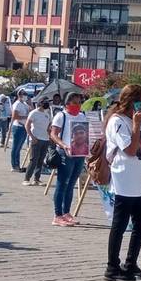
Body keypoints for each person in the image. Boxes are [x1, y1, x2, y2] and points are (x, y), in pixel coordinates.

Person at [104, 84, 141, 281]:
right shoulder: (118, 121)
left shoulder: (139, 120)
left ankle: (130, 263)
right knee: (120, 223)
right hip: (124, 175)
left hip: (139, 176)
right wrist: (136, 125)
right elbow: (129, 149)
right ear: (133, 101)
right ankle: (112, 267)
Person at [49, 92, 89, 227]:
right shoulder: (61, 116)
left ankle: (66, 213)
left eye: (79, 102)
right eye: (74, 102)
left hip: (80, 154)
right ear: (67, 103)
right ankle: (57, 215)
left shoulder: (82, 115)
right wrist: (64, 145)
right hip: (66, 154)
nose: (78, 105)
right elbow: (53, 134)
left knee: (71, 184)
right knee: (62, 184)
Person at [22, 99, 52, 186]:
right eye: (45, 102)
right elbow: (27, 125)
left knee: (41, 160)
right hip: (36, 139)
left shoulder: (47, 114)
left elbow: (48, 126)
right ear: (40, 103)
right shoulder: (34, 113)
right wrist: (32, 137)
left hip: (45, 139)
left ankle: (37, 179)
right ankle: (26, 179)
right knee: (33, 160)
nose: (47, 104)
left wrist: (49, 136)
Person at [10, 89, 30, 172]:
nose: (25, 95)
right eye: (23, 94)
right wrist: (26, 117)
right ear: (19, 95)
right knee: (16, 147)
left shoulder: (24, 104)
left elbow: (30, 110)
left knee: (19, 147)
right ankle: (14, 165)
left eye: (25, 94)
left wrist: (30, 103)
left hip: (24, 127)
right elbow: (14, 116)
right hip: (18, 127)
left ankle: (17, 165)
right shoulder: (17, 104)